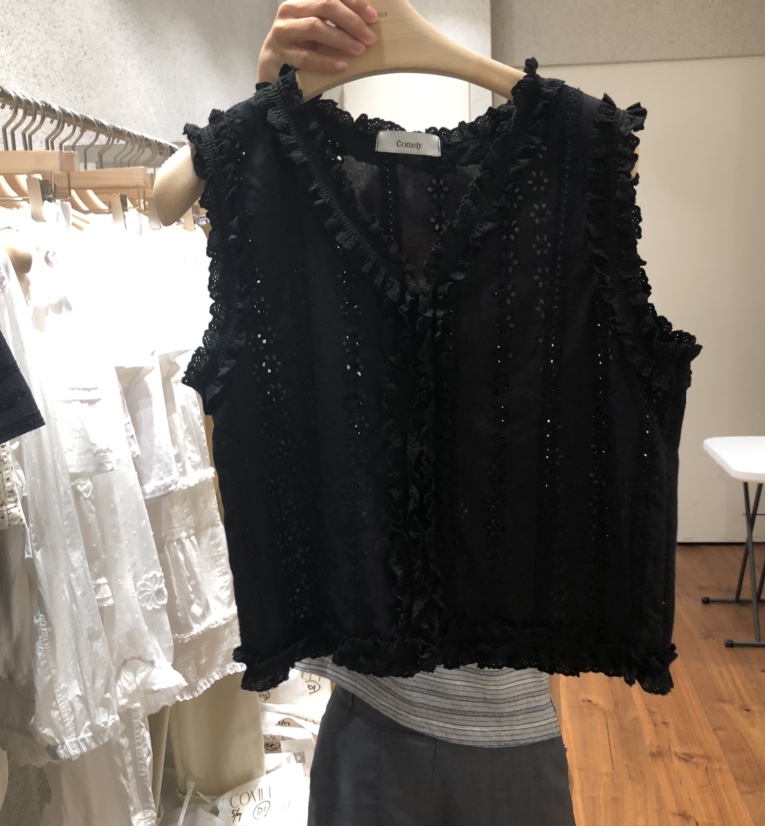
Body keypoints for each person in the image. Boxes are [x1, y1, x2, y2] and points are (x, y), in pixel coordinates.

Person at [255, 3, 577, 825]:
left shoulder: (574, 185)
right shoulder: (299, 212)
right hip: (372, 717)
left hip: (508, 722)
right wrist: (265, 110)